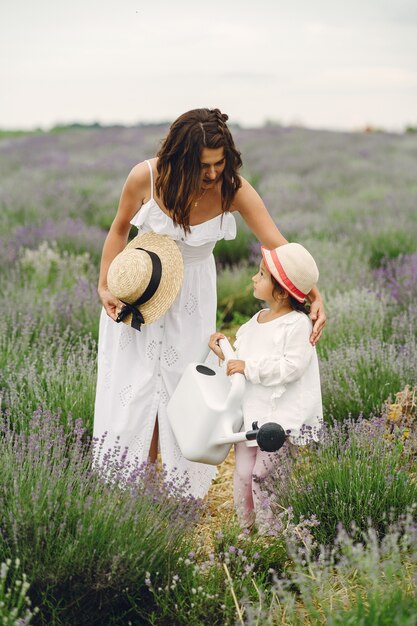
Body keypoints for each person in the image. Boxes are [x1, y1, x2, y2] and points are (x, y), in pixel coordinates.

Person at [93, 108, 326, 499]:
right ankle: (134, 493)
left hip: (192, 297)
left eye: (220, 162)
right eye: (204, 165)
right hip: (143, 288)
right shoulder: (144, 177)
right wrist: (104, 286)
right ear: (178, 157)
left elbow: (277, 243)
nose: (214, 173)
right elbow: (118, 229)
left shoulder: (233, 188)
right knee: (136, 390)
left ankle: (183, 496)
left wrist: (314, 292)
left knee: (186, 390)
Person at [208, 243, 323, 532]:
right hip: (251, 413)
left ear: (282, 292)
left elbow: (292, 367)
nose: (253, 278)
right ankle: (246, 533)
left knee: (265, 475)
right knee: (244, 474)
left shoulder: (296, 325)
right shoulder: (255, 321)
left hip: (278, 419)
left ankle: (270, 532)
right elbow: (241, 363)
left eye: (261, 275)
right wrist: (226, 355)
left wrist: (249, 367)